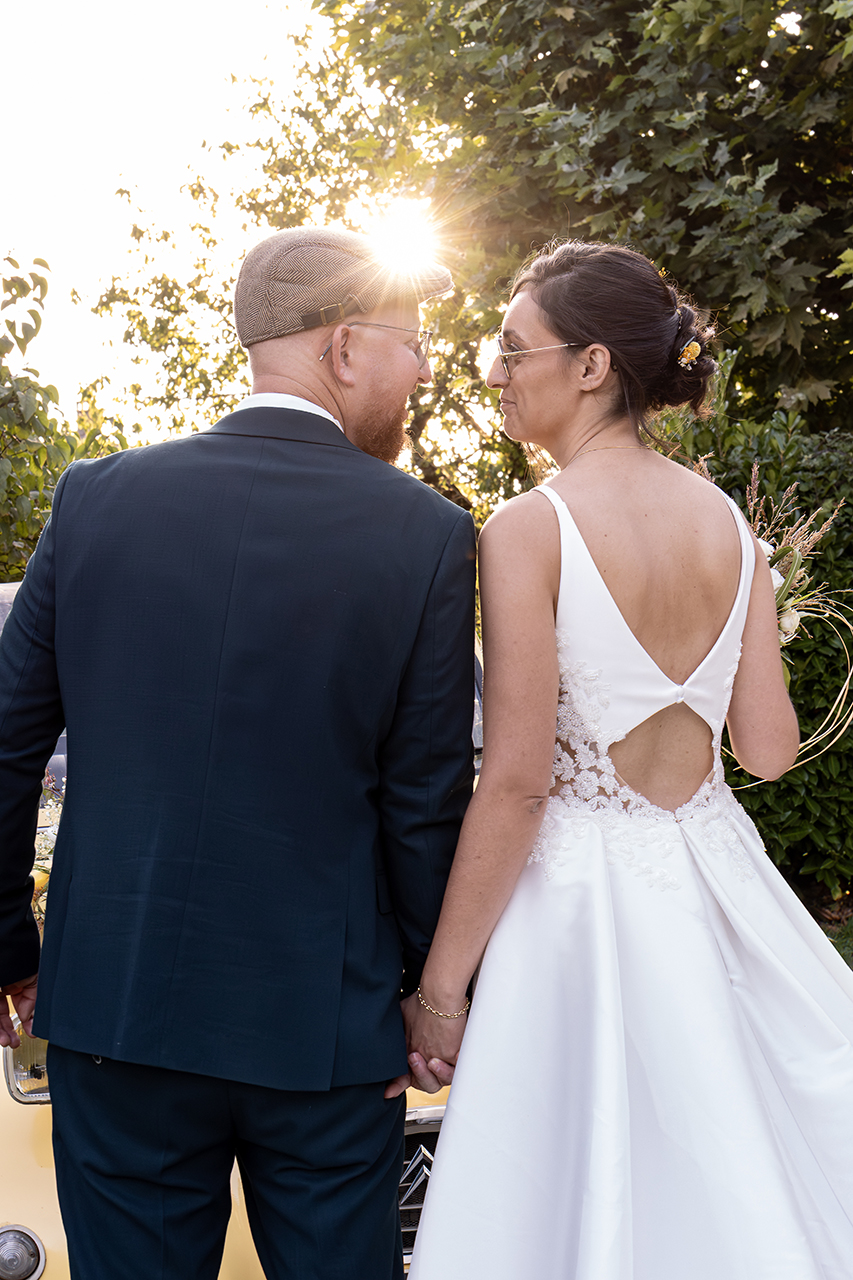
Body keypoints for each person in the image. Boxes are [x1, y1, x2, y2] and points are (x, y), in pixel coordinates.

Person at [0, 225, 476, 1280]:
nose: (422, 370)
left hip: (116, 1007)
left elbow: (4, 746)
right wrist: (421, 989)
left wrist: (11, 950)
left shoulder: (93, 499)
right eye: (411, 342)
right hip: (325, 1026)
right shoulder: (427, 534)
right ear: (342, 346)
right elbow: (424, 799)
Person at [404, 240, 853, 1280]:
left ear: (592, 364)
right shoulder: (729, 525)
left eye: (513, 350)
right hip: (715, 876)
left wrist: (440, 990)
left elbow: (518, 783)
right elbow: (768, 751)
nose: (495, 372)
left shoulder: (528, 528)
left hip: (576, 906)